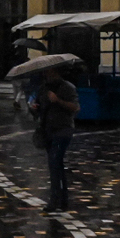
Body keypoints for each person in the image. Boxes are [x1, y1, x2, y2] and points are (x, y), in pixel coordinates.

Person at [32, 66, 80, 212]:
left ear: (56, 72)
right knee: (57, 165)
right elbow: (38, 107)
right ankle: (63, 199)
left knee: (54, 162)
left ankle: (54, 200)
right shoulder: (43, 88)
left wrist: (58, 100)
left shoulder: (67, 87)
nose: (46, 74)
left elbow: (75, 107)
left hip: (63, 130)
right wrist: (34, 108)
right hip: (47, 130)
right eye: (45, 72)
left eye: (49, 71)